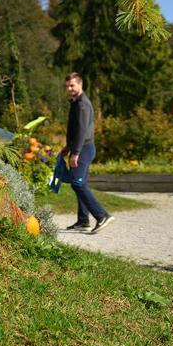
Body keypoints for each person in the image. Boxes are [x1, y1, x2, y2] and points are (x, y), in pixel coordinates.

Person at [60, 72, 114, 233]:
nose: (69, 89)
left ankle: (102, 216)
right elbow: (75, 129)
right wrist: (68, 147)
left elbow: (82, 130)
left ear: (80, 84)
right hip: (81, 148)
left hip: (83, 149)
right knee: (80, 182)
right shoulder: (77, 102)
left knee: (77, 183)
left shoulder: (82, 104)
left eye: (72, 85)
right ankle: (83, 221)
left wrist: (75, 152)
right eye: (67, 86)